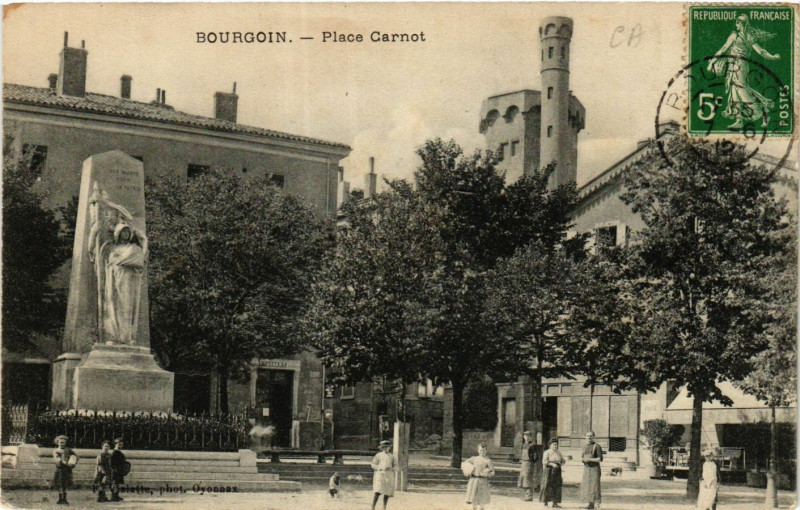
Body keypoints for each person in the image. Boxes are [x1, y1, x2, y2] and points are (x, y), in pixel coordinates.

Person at [706, 14, 780, 129]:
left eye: (737, 22)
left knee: (742, 91)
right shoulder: (749, 36)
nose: (736, 24)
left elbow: (723, 49)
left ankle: (763, 112)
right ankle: (739, 119)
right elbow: (761, 52)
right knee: (735, 91)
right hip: (735, 65)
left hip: (739, 65)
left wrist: (711, 63)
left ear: (742, 24)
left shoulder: (735, 36)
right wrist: (773, 57)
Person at [464, 443, 495, 510]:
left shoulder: (488, 460)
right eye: (480, 450)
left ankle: (482, 508)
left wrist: (487, 473)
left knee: (481, 498)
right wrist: (468, 470)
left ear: (486, 450)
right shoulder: (474, 458)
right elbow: (465, 463)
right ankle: (474, 508)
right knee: (473, 497)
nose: (482, 452)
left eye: (484, 450)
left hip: (482, 481)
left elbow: (492, 472)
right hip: (474, 480)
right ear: (478, 450)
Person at [580, 431, 603, 510]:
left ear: (593, 437)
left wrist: (589, 459)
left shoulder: (597, 446)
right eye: (587, 436)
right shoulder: (584, 446)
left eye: (591, 436)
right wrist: (583, 460)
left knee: (595, 486)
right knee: (587, 486)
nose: (589, 437)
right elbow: (582, 457)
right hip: (587, 469)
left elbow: (600, 459)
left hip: (595, 469)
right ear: (585, 437)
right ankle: (590, 504)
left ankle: (597, 504)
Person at [53, 435, 78, 505]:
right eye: (60, 442)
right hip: (60, 469)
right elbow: (56, 457)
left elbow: (75, 455)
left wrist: (72, 462)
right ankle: (60, 498)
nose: (62, 444)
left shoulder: (68, 450)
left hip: (67, 469)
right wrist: (61, 461)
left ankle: (65, 498)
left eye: (63, 442)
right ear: (57, 443)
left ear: (65, 443)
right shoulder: (56, 450)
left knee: (65, 484)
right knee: (60, 484)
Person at [540, 438, 566, 508]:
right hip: (549, 471)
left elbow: (562, 460)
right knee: (547, 486)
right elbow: (544, 462)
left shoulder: (559, 452)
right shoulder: (547, 452)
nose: (555, 446)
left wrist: (563, 461)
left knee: (556, 486)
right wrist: (552, 464)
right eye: (553, 445)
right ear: (550, 445)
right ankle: (545, 502)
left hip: (557, 471)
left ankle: (555, 503)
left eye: (556, 445)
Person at [371, 440, 396, 510]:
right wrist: (379, 467)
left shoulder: (392, 456)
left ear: (389, 447)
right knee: (378, 490)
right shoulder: (378, 455)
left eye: (386, 447)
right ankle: (373, 507)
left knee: (387, 491)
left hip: (389, 475)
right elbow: (373, 464)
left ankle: (384, 507)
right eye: (383, 447)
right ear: (381, 448)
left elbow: (396, 466)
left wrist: (392, 468)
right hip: (380, 475)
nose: (385, 449)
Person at [517, 430, 538, 501]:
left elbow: (535, 456)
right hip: (524, 463)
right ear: (523, 437)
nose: (527, 437)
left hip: (529, 463)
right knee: (523, 479)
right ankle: (526, 495)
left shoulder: (533, 445)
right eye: (525, 436)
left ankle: (529, 496)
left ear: (531, 437)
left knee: (528, 479)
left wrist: (532, 462)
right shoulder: (523, 445)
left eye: (528, 436)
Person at [110, 437, 129, 502]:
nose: (120, 444)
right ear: (115, 444)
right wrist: (115, 469)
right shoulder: (115, 452)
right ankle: (114, 496)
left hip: (119, 470)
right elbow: (112, 463)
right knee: (115, 483)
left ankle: (116, 495)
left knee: (117, 483)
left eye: (121, 443)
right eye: (119, 443)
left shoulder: (118, 451)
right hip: (115, 470)